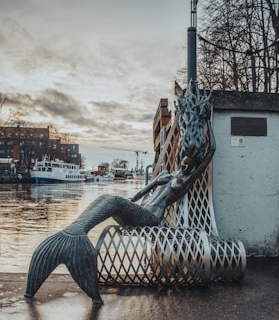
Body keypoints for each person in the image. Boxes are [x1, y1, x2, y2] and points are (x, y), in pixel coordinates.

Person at [25, 116, 215, 305]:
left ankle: (77, 235)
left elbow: (211, 150)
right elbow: (143, 191)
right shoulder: (167, 173)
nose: (185, 165)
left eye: (190, 164)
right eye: (184, 160)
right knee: (106, 197)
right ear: (181, 157)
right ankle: (75, 232)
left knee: (114, 200)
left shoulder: (187, 180)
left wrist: (207, 122)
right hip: (140, 211)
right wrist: (130, 202)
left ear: (194, 166)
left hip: (151, 219)